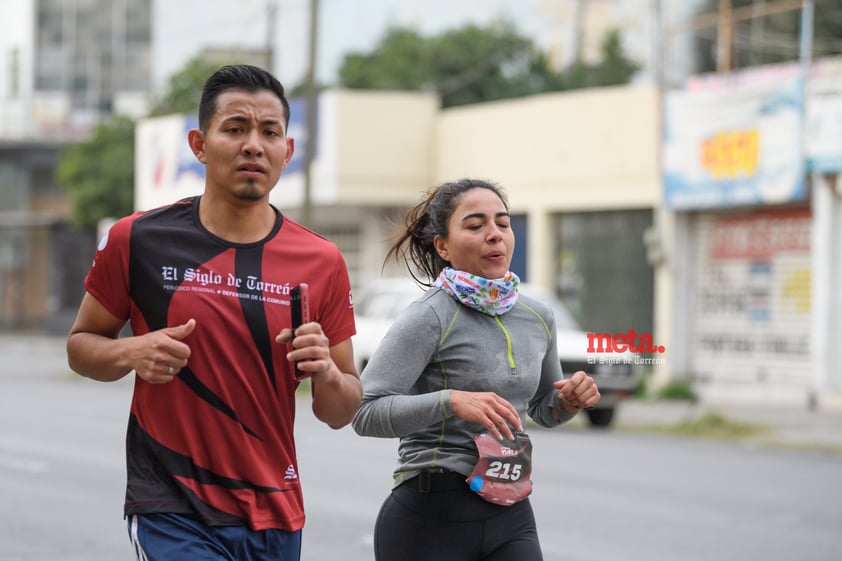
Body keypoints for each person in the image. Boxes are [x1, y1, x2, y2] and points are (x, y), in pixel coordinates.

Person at [66, 64, 361, 561]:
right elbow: (80, 347)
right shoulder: (136, 239)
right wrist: (131, 351)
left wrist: (327, 373)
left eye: (269, 132)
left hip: (276, 510)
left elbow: (342, 409)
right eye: (235, 128)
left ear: (287, 152)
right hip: (172, 502)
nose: (253, 145)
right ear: (199, 145)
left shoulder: (322, 261)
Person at [352, 178, 601, 561]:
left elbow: (541, 409)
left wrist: (567, 401)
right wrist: (450, 401)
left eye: (503, 223)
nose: (494, 235)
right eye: (475, 225)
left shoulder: (537, 316)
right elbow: (365, 412)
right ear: (443, 246)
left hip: (510, 511)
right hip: (429, 514)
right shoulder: (428, 316)